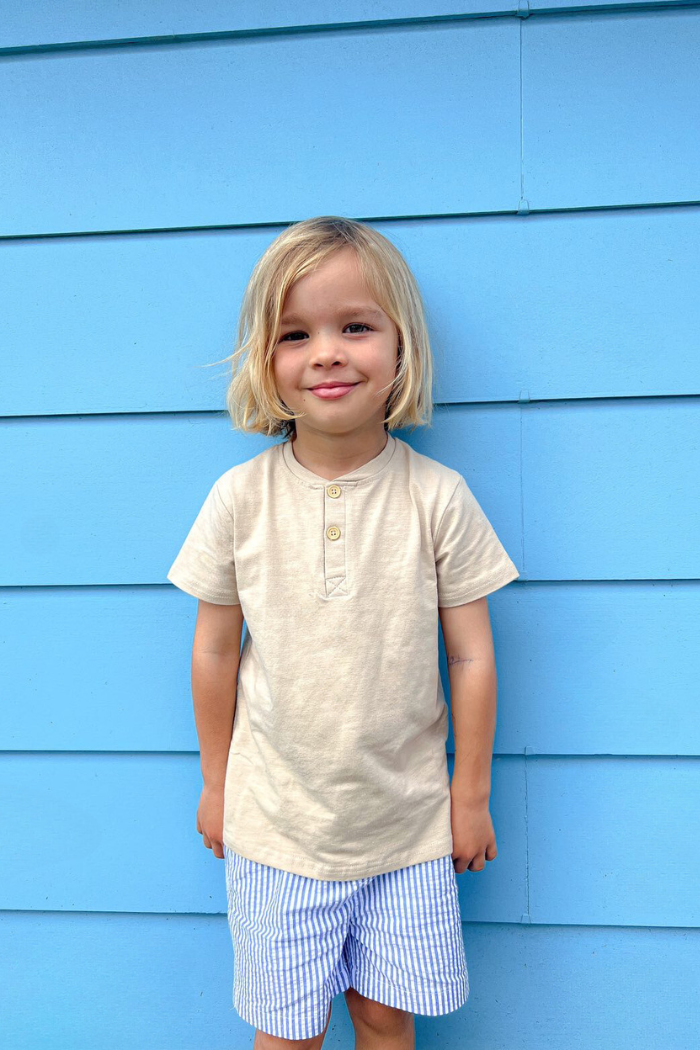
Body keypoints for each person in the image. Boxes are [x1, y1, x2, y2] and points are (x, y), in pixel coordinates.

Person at [166, 216, 520, 1050]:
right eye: (296, 334)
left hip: (407, 829)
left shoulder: (437, 497)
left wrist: (469, 796)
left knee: (384, 1018)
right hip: (276, 828)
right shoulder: (239, 500)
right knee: (287, 1031)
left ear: (401, 348)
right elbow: (214, 650)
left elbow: (472, 656)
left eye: (355, 327)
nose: (326, 353)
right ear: (265, 360)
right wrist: (216, 783)